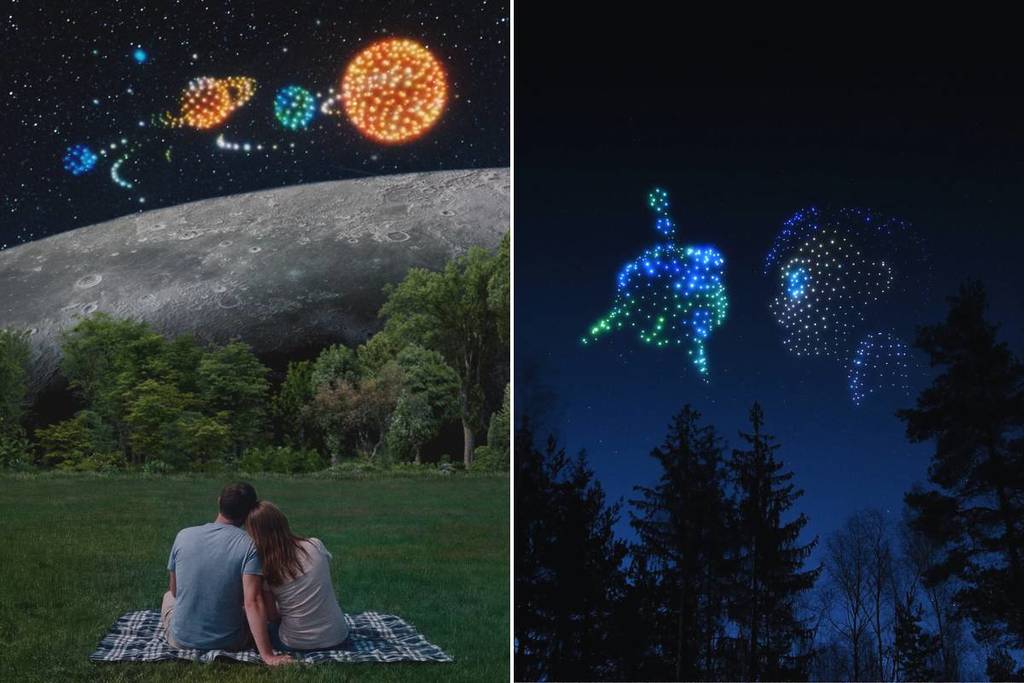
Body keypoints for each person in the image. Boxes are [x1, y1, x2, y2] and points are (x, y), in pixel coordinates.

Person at [161, 482, 292, 666]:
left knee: (168, 597)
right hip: (231, 642)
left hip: (181, 640)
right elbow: (252, 601)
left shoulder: (183, 535)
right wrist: (268, 655)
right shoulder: (250, 546)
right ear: (249, 512)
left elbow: (175, 591)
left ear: (219, 502)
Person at [245, 500, 350, 651]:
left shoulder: (268, 568)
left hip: (296, 643)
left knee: (256, 628)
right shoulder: (315, 545)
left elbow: (272, 616)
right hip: (339, 637)